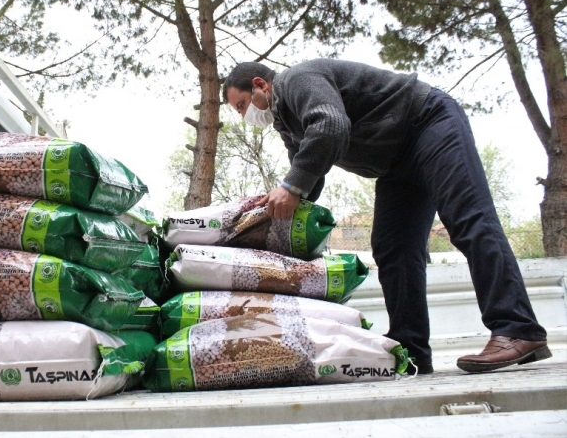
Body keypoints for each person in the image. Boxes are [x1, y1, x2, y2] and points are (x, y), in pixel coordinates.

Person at [222, 59, 550, 374]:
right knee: (393, 249)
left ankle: (516, 328)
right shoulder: (286, 122)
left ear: (260, 84)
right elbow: (310, 176)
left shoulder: (297, 79)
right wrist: (271, 208)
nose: (245, 116)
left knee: (468, 220)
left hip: (427, 123)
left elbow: (331, 125)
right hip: (395, 164)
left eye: (241, 105)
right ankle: (411, 351)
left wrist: (291, 186)